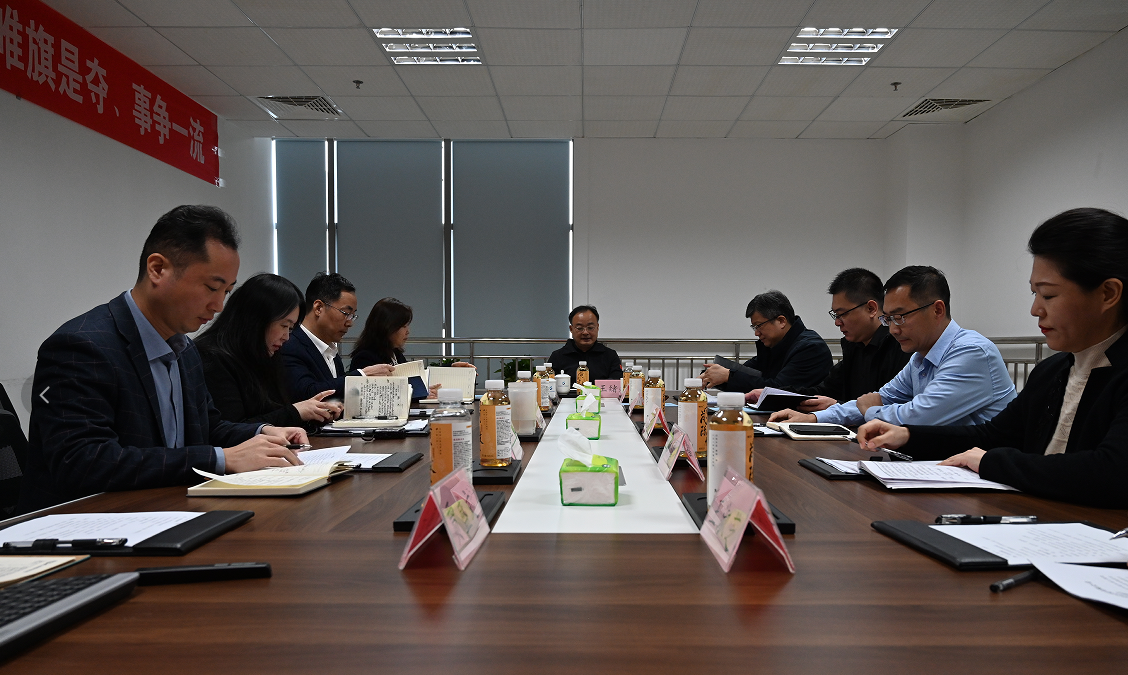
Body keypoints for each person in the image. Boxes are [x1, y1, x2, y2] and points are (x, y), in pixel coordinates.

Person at [19, 205, 307, 512]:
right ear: (157, 269)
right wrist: (220, 458)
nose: (218, 305)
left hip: (167, 508)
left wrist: (262, 433)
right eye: (212, 287)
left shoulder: (185, 350)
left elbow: (207, 428)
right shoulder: (82, 346)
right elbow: (84, 462)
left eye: (226, 291)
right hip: (90, 522)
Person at [857, 208, 1128, 508]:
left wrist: (991, 462)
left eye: (1049, 295)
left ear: (1108, 294)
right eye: (1034, 294)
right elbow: (993, 435)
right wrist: (908, 436)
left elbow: (1111, 472)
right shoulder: (1052, 371)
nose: (1035, 310)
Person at [771, 266, 1015, 427]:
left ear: (937, 310)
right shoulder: (919, 358)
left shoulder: (971, 352)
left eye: (900, 317)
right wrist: (814, 418)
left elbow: (918, 417)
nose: (894, 329)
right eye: (888, 319)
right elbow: (884, 397)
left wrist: (869, 412)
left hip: (981, 476)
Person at [196, 273, 343, 429]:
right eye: (284, 326)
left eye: (291, 328)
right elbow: (230, 430)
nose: (286, 337)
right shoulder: (213, 358)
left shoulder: (265, 356)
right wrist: (297, 412)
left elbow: (273, 414)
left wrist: (314, 415)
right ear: (256, 319)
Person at [749, 269, 910, 410]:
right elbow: (824, 391)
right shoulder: (854, 347)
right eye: (835, 315)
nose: (837, 322)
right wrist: (771, 394)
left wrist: (838, 406)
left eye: (842, 314)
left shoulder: (900, 347)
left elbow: (895, 408)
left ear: (871, 308)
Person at [279, 272, 393, 403]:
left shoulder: (331, 350)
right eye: (346, 313)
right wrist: (361, 376)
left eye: (353, 316)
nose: (350, 323)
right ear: (319, 308)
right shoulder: (290, 345)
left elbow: (337, 395)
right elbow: (306, 393)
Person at [702, 290, 832, 393]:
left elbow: (780, 389)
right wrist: (713, 375)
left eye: (759, 326)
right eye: (754, 327)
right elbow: (746, 373)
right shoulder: (775, 345)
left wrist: (728, 376)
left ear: (781, 321)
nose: (756, 333)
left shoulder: (811, 348)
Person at [350, 297, 474, 399]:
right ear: (387, 327)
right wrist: (419, 393)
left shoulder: (395, 353)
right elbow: (376, 396)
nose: (408, 331)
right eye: (403, 326)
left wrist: (451, 369)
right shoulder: (365, 357)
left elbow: (414, 379)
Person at [547, 305, 624, 383]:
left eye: (590, 328)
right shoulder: (558, 356)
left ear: (597, 327)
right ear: (571, 329)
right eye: (580, 328)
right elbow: (548, 384)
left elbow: (617, 383)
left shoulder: (610, 355)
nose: (585, 332)